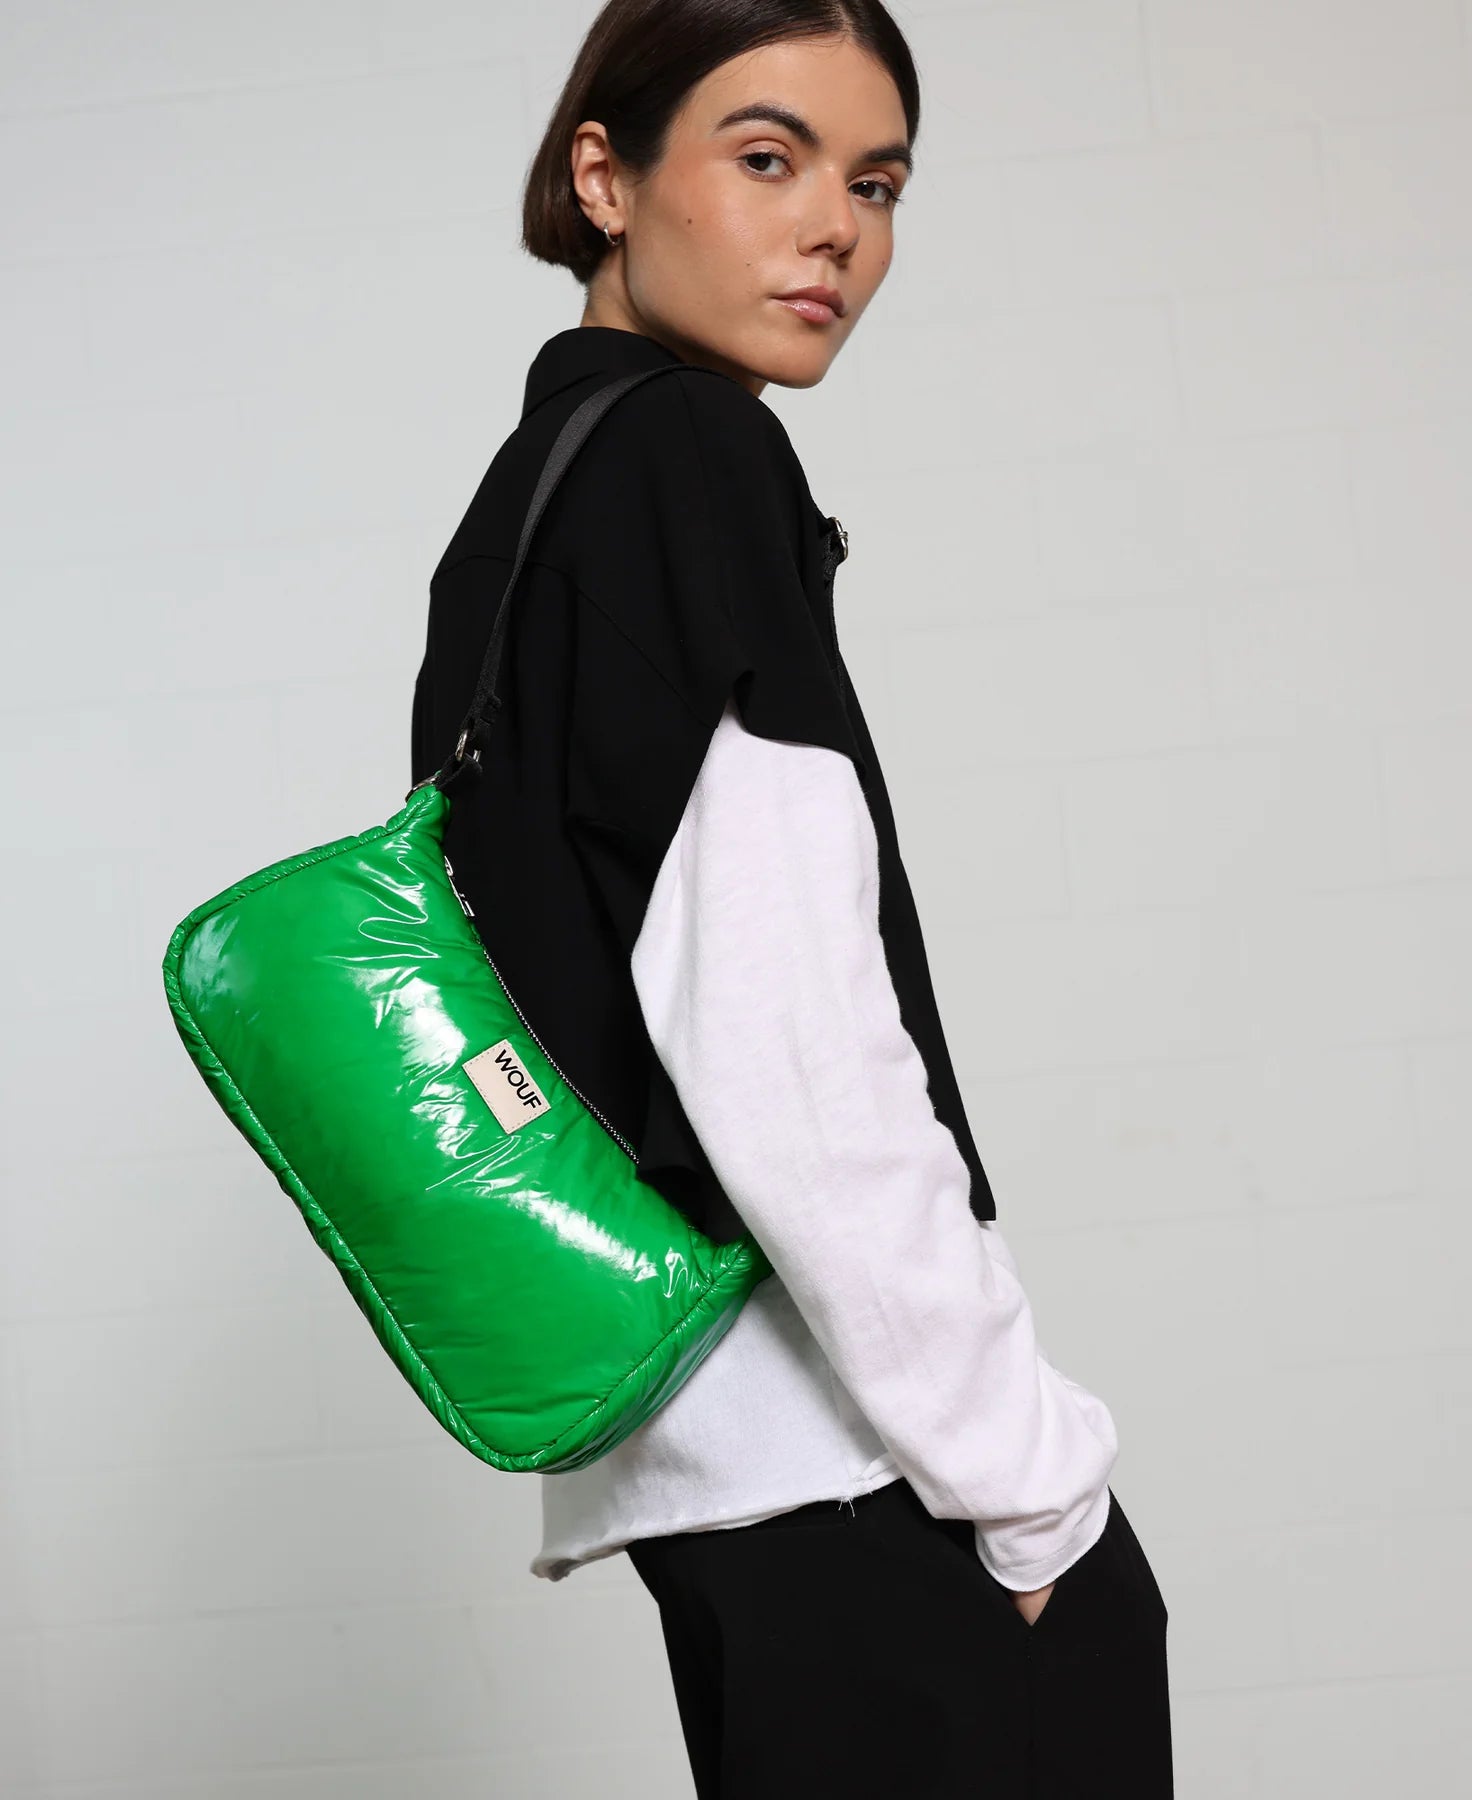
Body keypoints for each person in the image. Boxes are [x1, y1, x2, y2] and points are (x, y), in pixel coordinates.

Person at [411, 2, 1173, 1794]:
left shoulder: (521, 508)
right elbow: (783, 1033)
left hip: (707, 1476)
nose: (835, 226)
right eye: (768, 158)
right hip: (867, 1469)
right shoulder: (687, 456)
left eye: (877, 184)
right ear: (605, 176)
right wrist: (1028, 1483)